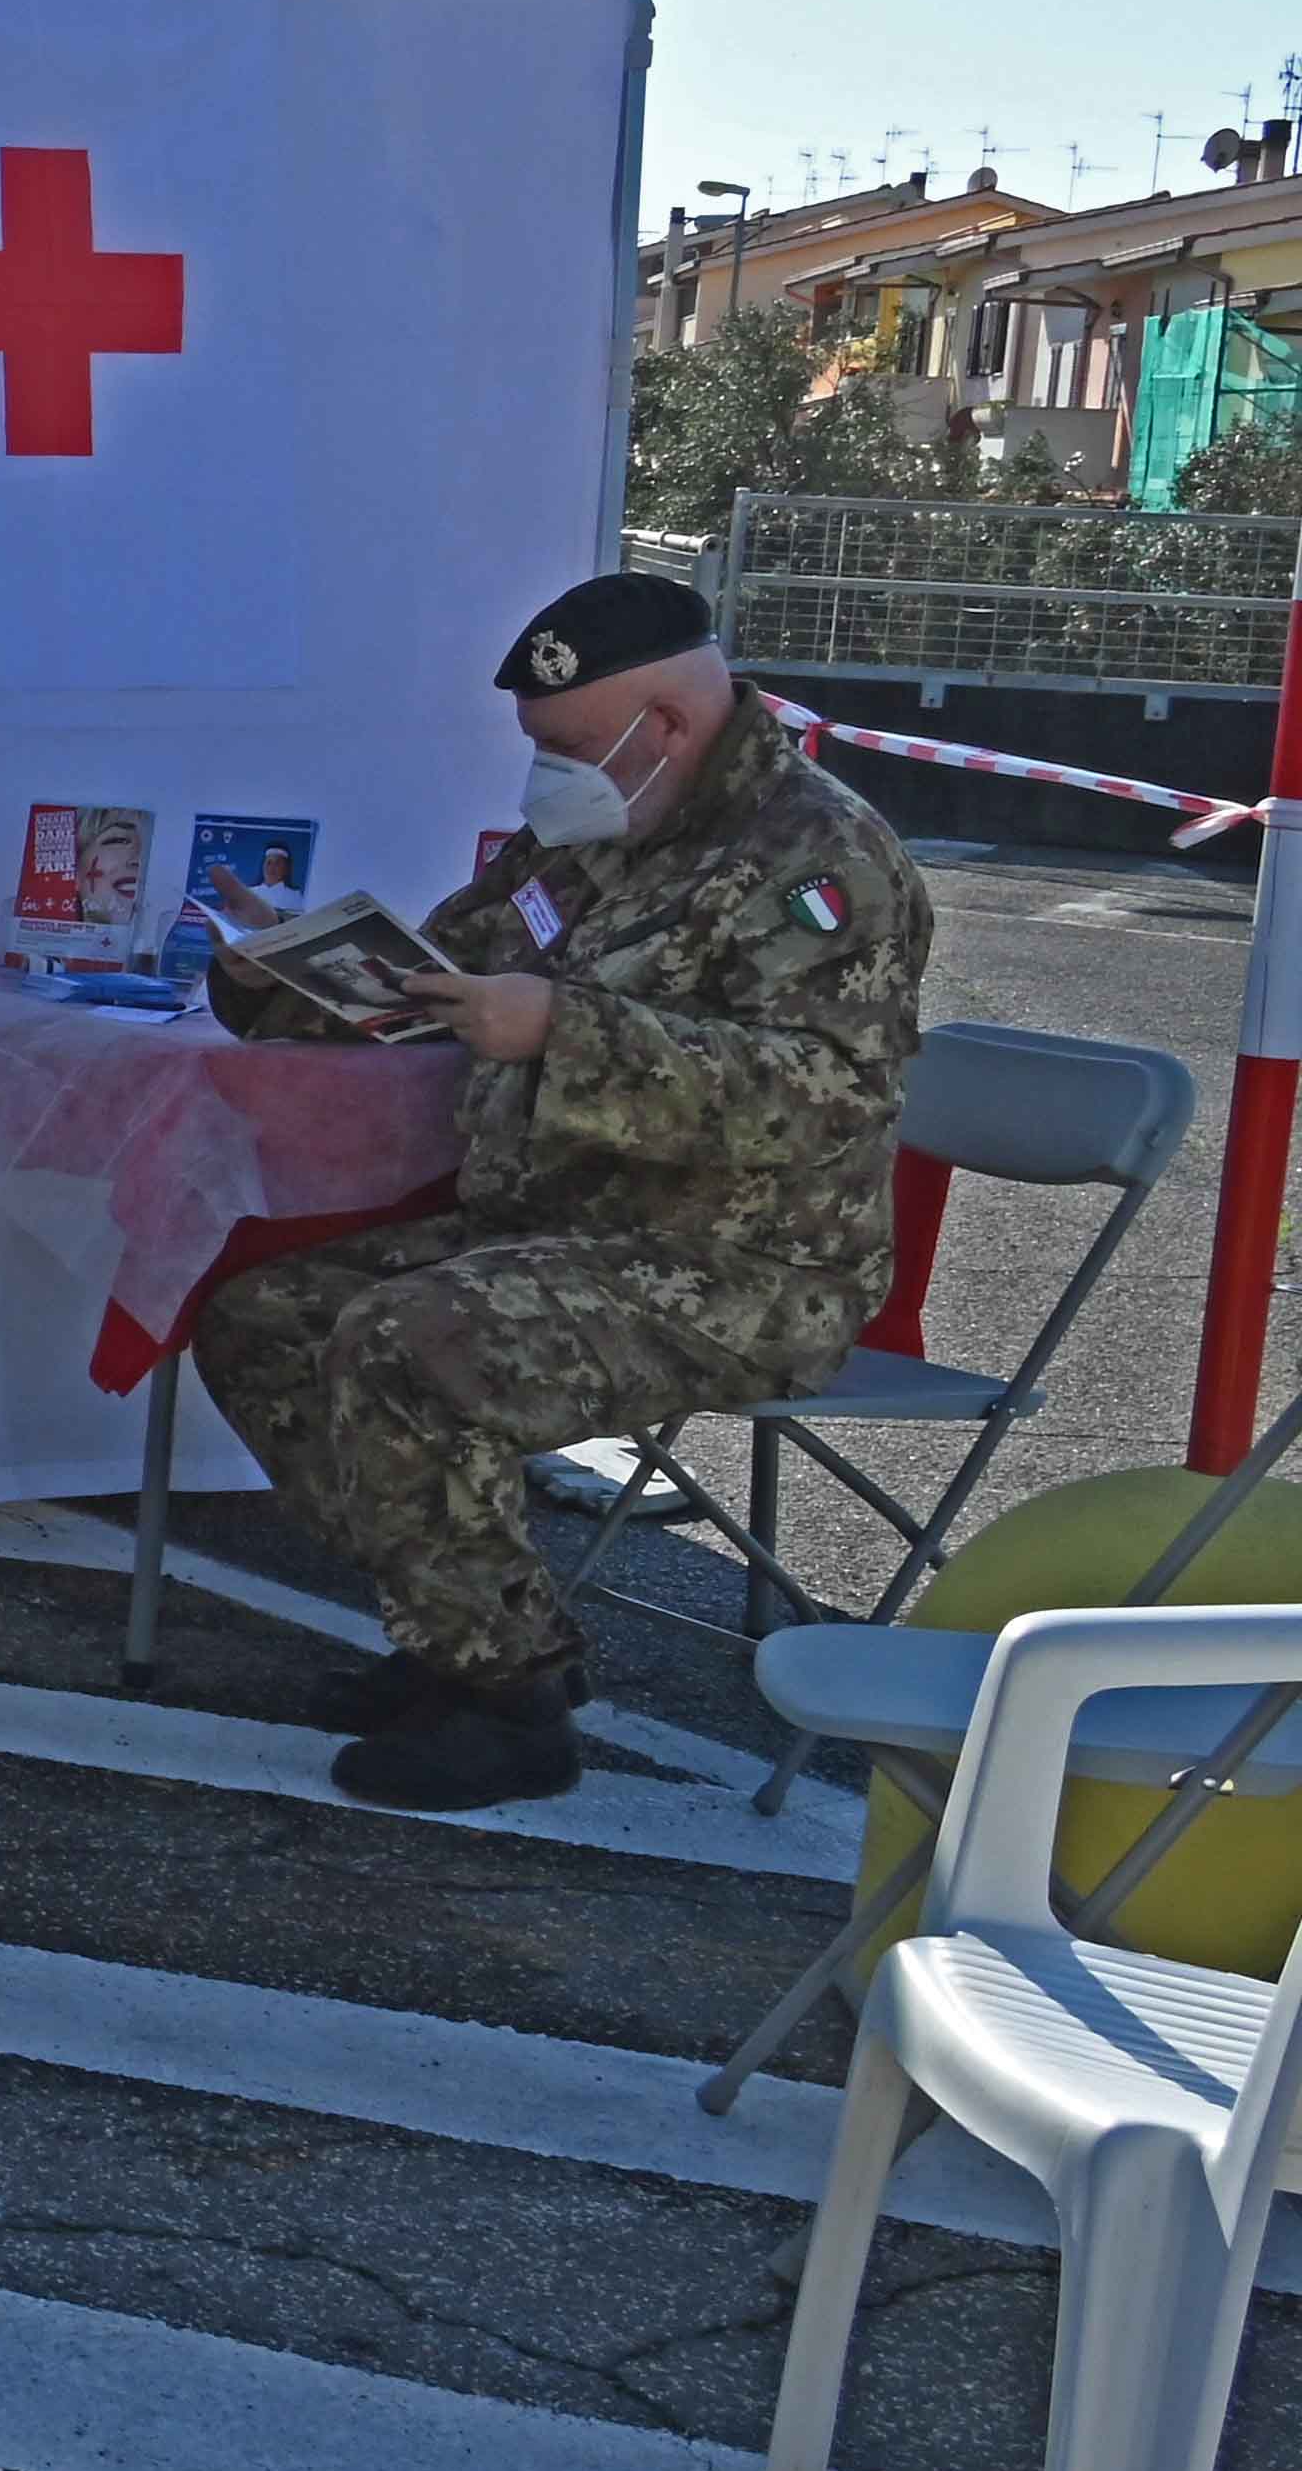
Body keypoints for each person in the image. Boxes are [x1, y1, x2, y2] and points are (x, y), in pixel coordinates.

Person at [192, 572, 930, 1811]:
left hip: (745, 1267)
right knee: (262, 1322)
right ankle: (457, 1627)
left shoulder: (821, 856)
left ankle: (509, 1707)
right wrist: (281, 970)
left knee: (412, 1342)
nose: (549, 777)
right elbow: (447, 974)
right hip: (559, 1227)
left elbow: (830, 1097)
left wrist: (566, 1033)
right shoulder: (600, 823)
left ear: (669, 724)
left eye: (570, 748)